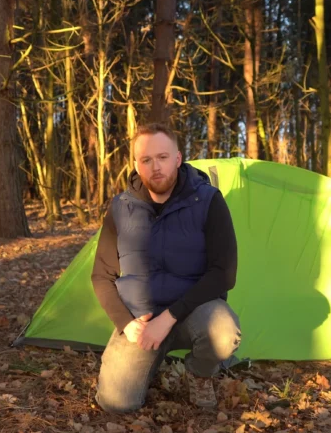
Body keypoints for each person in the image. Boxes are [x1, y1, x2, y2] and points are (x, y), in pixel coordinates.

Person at [91, 122, 240, 413]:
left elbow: (223, 273)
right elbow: (101, 275)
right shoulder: (121, 207)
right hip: (141, 321)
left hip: (192, 313)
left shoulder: (208, 201)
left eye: (162, 157)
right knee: (115, 404)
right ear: (135, 164)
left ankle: (199, 373)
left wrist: (170, 316)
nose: (155, 166)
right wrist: (126, 324)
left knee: (224, 332)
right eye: (146, 160)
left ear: (178, 158)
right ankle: (149, 361)